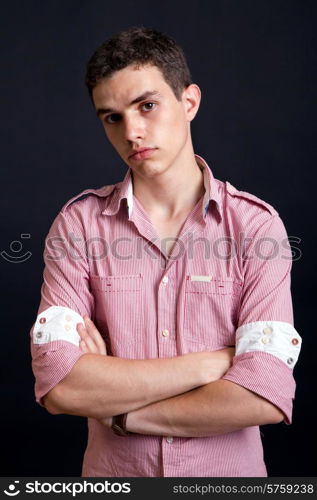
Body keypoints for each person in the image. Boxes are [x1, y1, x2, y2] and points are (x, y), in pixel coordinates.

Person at [30, 26, 301, 477]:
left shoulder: (256, 226)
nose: (132, 131)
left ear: (189, 102)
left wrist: (122, 413)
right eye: (112, 117)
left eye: (147, 106)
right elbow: (60, 385)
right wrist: (214, 363)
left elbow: (264, 394)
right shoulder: (78, 225)